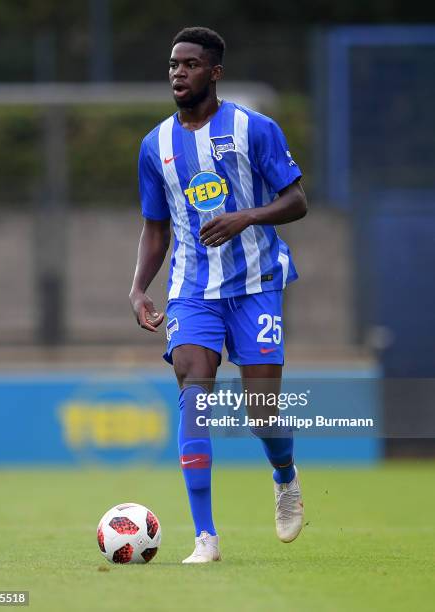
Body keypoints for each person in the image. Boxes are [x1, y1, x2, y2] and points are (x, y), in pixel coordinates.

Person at [129, 26, 307, 563]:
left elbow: (296, 200)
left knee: (261, 412)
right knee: (194, 387)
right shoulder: (154, 145)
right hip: (193, 291)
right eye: (172, 65)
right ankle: (205, 537)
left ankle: (285, 475)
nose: (178, 72)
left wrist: (246, 217)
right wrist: (139, 287)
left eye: (189, 64)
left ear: (214, 72)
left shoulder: (256, 128)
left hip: (256, 285)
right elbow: (156, 228)